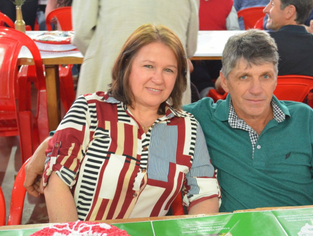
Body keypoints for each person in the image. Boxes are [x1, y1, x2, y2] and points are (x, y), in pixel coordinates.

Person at [33, 24, 220, 223]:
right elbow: (57, 181)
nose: (158, 79)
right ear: (126, 66)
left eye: (169, 70)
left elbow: (204, 196)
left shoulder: (187, 128)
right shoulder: (89, 109)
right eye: (148, 66)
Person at [185, 29, 313, 212]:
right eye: (244, 77)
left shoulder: (304, 118)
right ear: (225, 82)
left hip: (301, 228)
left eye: (265, 76)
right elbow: (155, 112)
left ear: (276, 79)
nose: (256, 89)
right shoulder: (201, 117)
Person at [72, 0, 199, 105]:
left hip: (109, 72)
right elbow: (189, 46)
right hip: (166, 83)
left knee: (99, 129)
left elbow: (82, 33)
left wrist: (107, 54)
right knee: (171, 133)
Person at [215, 0, 313, 93]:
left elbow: (222, 84)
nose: (265, 9)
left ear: (289, 11)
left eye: (272, 4)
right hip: (299, 115)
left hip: (253, 114)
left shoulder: (257, 44)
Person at [191, 0, 239, 98]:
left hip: (221, 55)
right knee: (195, 68)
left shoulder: (227, 3)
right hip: (196, 56)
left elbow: (234, 33)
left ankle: (222, 95)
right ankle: (207, 96)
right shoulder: (189, 4)